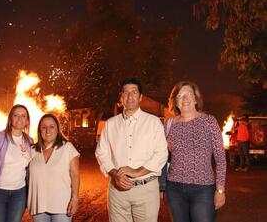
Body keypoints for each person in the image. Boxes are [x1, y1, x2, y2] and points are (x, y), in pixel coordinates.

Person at [95, 78, 168, 222]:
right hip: (117, 191)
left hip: (146, 190)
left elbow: (161, 154)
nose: (129, 96)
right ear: (121, 97)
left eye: (134, 92)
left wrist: (136, 172)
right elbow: (101, 153)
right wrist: (116, 174)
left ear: (140, 97)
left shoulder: (153, 123)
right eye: (125, 92)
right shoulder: (110, 124)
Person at [165, 81, 226, 222]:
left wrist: (220, 190)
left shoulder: (209, 122)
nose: (185, 98)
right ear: (175, 102)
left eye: (188, 94)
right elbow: (160, 155)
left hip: (203, 190)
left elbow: (221, 159)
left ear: (196, 99)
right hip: (174, 189)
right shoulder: (169, 124)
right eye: (180, 95)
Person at [0, 104, 33, 222]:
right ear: (10, 119)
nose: (19, 118)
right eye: (16, 115)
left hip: (19, 194)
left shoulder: (29, 142)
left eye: (23, 116)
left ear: (27, 121)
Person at [27, 113, 80, 222]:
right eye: (44, 127)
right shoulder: (32, 150)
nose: (48, 130)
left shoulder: (67, 148)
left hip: (62, 206)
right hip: (38, 205)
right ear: (39, 130)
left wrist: (75, 198)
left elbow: (75, 175)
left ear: (57, 129)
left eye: (52, 127)